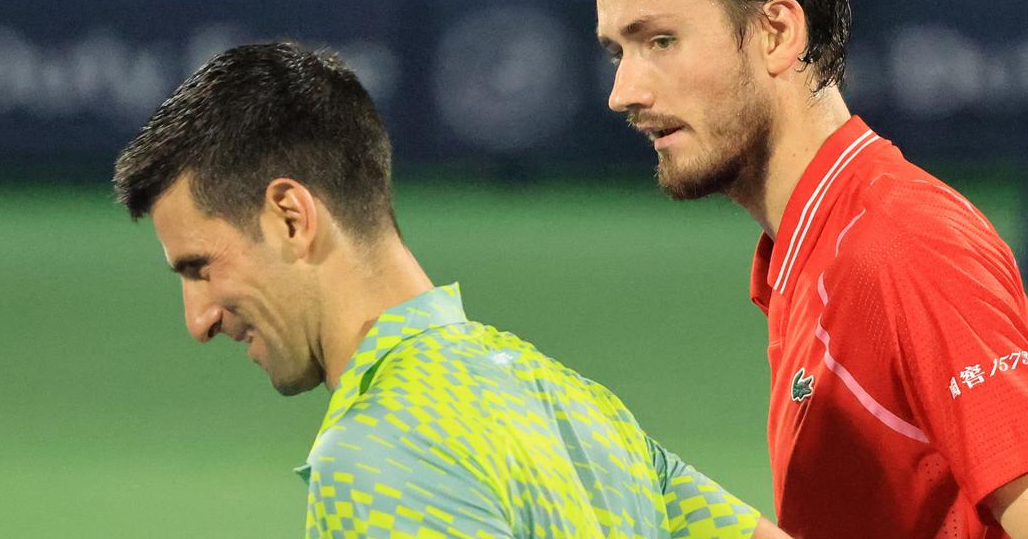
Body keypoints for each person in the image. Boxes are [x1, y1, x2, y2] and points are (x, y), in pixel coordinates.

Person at [593, 0, 1028, 539]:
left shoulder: (899, 244)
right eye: (617, 52)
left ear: (777, 33)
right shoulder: (815, 248)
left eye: (660, 40)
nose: (622, 93)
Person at [113, 42, 785, 538]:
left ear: (292, 217)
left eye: (201, 268)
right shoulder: (569, 403)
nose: (197, 319)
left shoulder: (372, 460)